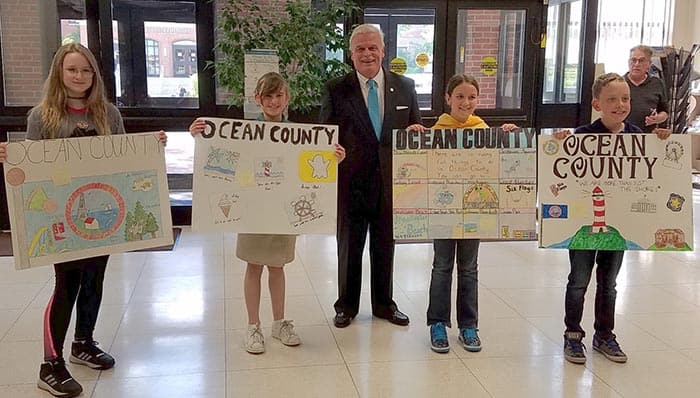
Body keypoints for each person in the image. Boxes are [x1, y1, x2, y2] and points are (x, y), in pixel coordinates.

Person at [0, 43, 167, 398]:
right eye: (72, 70)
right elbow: (29, 168)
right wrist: (11, 157)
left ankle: (83, 343)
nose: (80, 76)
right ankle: (50, 364)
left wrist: (153, 147)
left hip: (102, 215)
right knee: (67, 284)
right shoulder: (42, 117)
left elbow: (124, 159)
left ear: (95, 75)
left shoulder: (108, 114)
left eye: (86, 70)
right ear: (59, 73)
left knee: (94, 279)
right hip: (63, 219)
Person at [189, 72, 345, 354]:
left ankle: (279, 321)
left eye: (279, 96)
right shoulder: (245, 131)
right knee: (253, 265)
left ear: (287, 98)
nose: (274, 102)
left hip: (282, 214)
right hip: (254, 211)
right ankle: (253, 325)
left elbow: (313, 166)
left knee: (277, 266)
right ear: (257, 99)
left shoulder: (302, 135)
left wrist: (333, 156)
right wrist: (199, 134)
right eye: (268, 96)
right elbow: (219, 152)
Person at [553, 73, 670, 365]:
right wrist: (557, 143)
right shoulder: (581, 135)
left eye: (625, 98)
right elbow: (561, 167)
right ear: (596, 103)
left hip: (619, 224)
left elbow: (655, 172)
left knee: (609, 283)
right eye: (612, 99)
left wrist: (662, 142)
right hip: (583, 225)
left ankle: (605, 334)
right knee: (578, 281)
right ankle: (573, 335)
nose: (620, 105)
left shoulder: (638, 138)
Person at [320, 24, 423, 328]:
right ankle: (346, 307)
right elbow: (326, 135)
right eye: (360, 49)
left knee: (385, 247)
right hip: (350, 182)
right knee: (349, 248)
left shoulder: (405, 86)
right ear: (351, 55)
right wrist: (331, 153)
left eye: (372, 47)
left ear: (383, 50)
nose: (367, 53)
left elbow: (415, 128)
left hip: (392, 184)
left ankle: (384, 305)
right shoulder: (336, 89)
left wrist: (417, 134)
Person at [426, 74, 518, 353]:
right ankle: (438, 323)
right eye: (460, 97)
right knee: (442, 266)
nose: (466, 102)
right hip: (443, 210)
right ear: (448, 99)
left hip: (474, 210)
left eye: (472, 97)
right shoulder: (437, 130)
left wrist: (509, 136)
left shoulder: (484, 130)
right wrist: (415, 136)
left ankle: (469, 325)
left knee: (469, 267)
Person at [625, 44, 669, 133]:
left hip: (648, 137)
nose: (636, 64)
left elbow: (664, 112)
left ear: (649, 64)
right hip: (622, 136)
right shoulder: (619, 83)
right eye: (633, 60)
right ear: (628, 62)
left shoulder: (657, 83)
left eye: (641, 60)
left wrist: (658, 118)